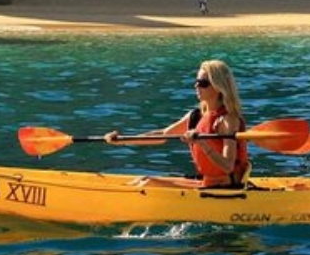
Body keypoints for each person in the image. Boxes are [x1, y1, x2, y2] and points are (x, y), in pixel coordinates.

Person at [105, 59, 248, 188]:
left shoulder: (228, 120)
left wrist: (202, 143)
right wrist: (122, 141)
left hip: (225, 187)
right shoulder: (196, 115)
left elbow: (228, 166)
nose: (196, 86)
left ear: (218, 86)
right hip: (207, 181)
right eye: (196, 82)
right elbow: (162, 135)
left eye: (203, 83)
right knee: (144, 179)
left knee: (149, 183)